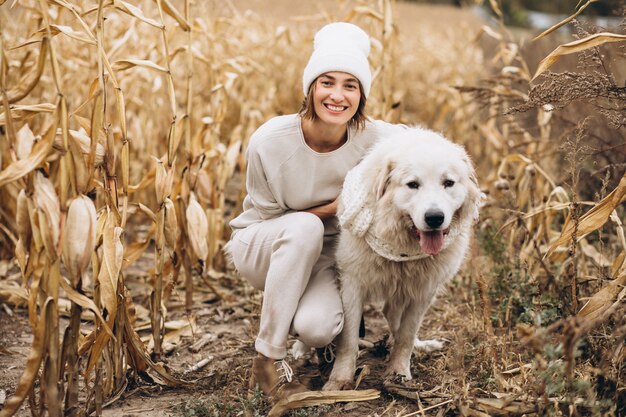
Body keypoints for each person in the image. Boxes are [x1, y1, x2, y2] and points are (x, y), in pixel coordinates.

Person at [226, 21, 404, 401]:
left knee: (318, 328)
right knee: (304, 228)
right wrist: (338, 207)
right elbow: (273, 220)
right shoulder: (270, 143)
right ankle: (267, 357)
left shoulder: (380, 140)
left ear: (362, 95)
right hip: (263, 244)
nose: (337, 96)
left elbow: (429, 151)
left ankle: (326, 327)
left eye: (350, 85)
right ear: (310, 88)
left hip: (328, 254)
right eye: (327, 82)